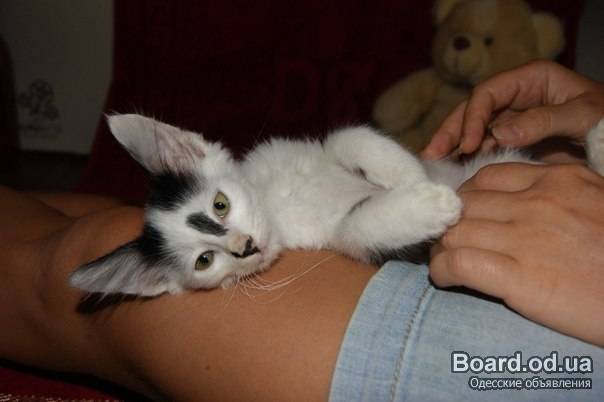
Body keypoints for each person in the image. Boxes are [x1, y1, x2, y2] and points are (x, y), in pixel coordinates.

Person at [0, 60, 602, 402]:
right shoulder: (257, 216)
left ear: (197, 151)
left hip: (493, 239)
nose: (239, 244)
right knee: (107, 228)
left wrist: (394, 178)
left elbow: (343, 169)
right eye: (208, 260)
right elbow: (350, 230)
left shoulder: (262, 166)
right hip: (493, 195)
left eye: (221, 206)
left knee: (89, 241)